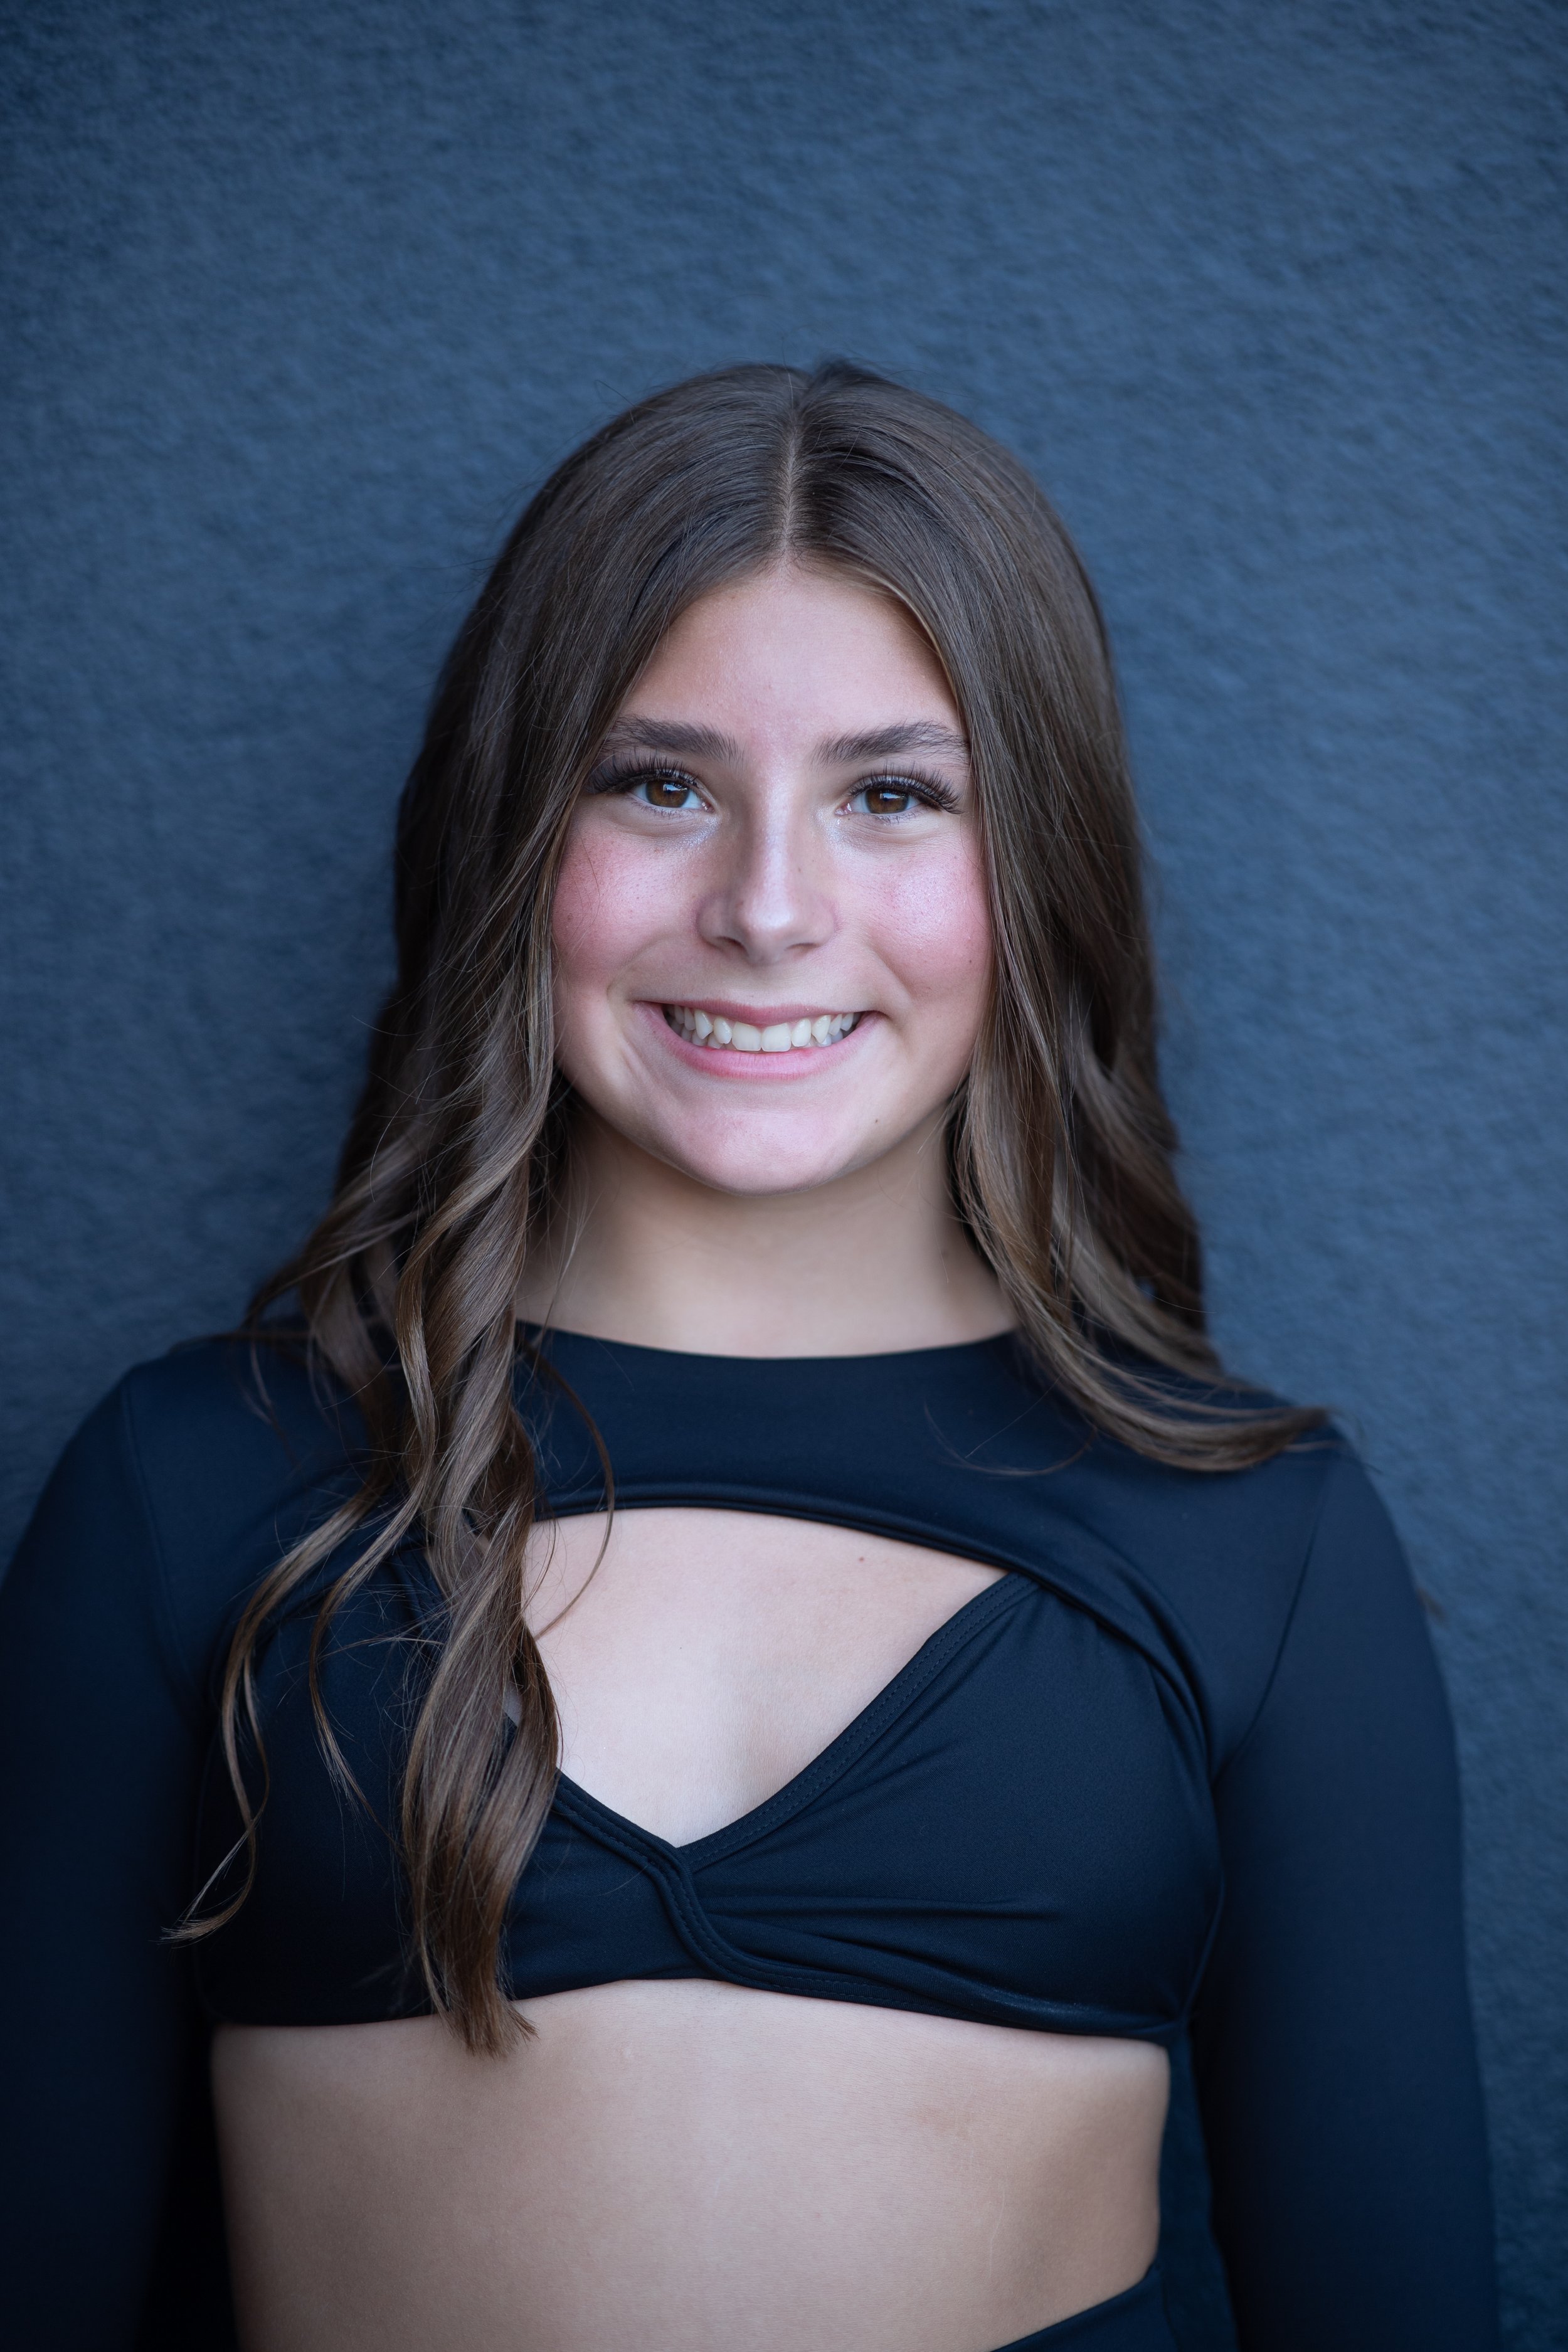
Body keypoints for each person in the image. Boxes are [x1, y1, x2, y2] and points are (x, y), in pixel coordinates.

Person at [0, 363, 1498, 2352]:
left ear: (1033, 864)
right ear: (514, 835)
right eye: (659, 783)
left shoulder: (1257, 1542)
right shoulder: (196, 1489)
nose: (769, 908)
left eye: (894, 793)